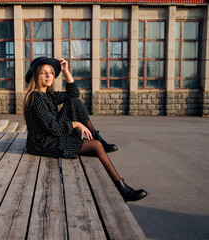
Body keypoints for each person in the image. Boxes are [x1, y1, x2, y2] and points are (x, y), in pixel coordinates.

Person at [22, 56, 147, 202]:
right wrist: (75, 124)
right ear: (36, 75)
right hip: (42, 143)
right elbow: (53, 128)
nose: (49, 75)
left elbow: (74, 94)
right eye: (44, 72)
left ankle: (96, 136)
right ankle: (121, 188)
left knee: (74, 102)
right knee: (96, 146)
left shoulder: (47, 95)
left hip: (49, 135)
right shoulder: (36, 98)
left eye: (51, 72)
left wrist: (66, 71)